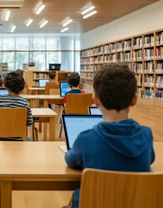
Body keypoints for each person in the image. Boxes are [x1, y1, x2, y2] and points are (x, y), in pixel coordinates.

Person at [64, 64, 155, 208]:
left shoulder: (86, 139)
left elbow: (70, 159)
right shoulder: (146, 135)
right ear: (134, 100)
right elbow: (150, 159)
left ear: (96, 100)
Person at [0, 71, 33, 141]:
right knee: (29, 140)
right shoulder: (25, 103)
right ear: (22, 88)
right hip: (18, 139)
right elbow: (29, 122)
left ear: (6, 86)